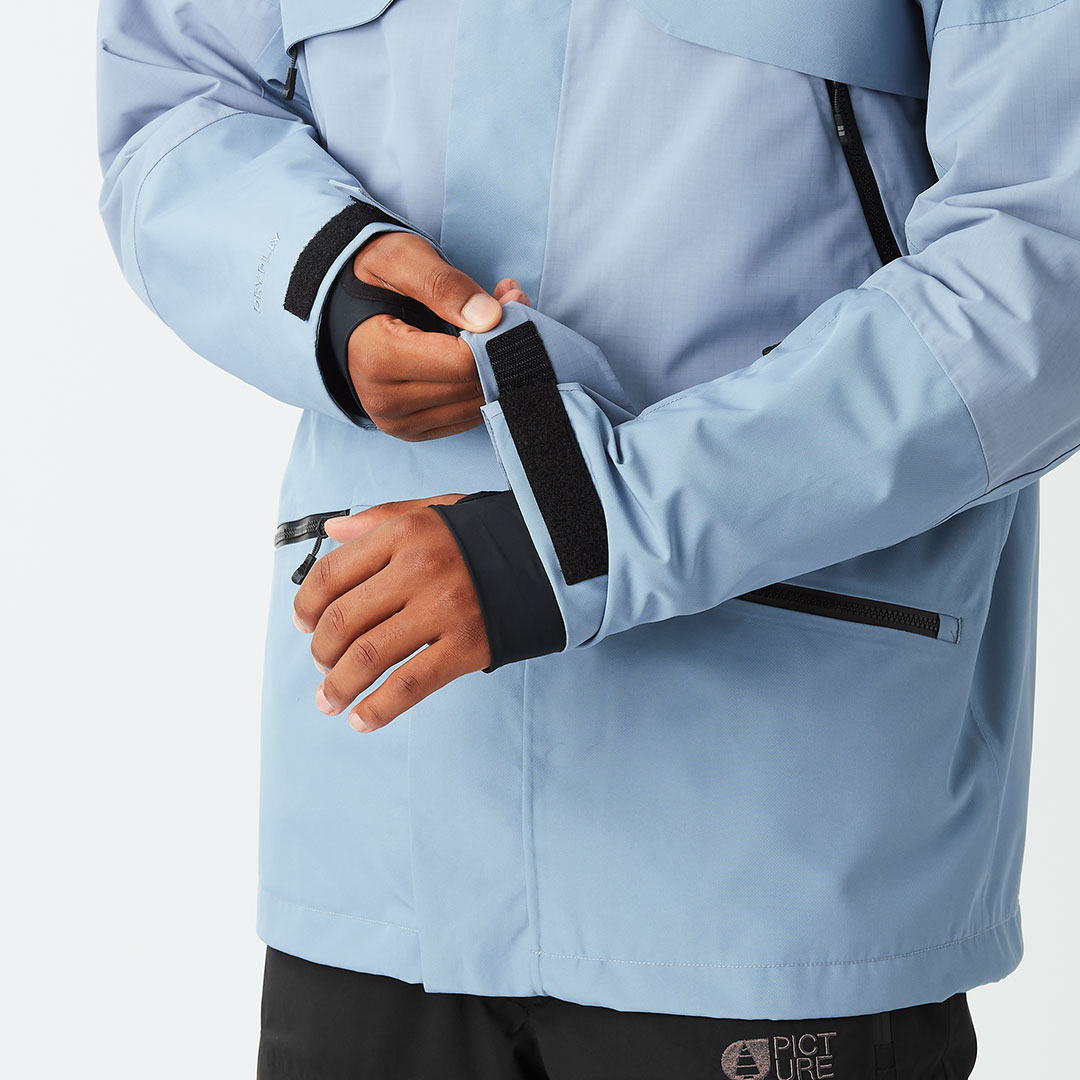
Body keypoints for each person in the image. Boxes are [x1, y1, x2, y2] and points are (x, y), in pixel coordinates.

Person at [95, 0, 1080, 1076]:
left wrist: (583, 529)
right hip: (381, 844)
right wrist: (325, 282)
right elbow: (177, 89)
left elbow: (1042, 262)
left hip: (769, 855)